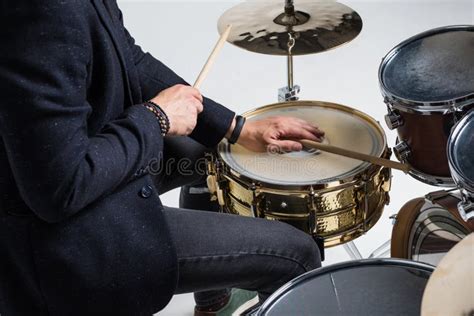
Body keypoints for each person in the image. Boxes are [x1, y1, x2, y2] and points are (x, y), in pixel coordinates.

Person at [0, 1, 324, 315]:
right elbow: (60, 187)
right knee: (297, 254)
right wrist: (156, 118)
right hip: (69, 235)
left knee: (219, 153)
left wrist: (235, 128)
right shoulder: (41, 11)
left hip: (93, 156)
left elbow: (131, 58)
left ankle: (214, 305)